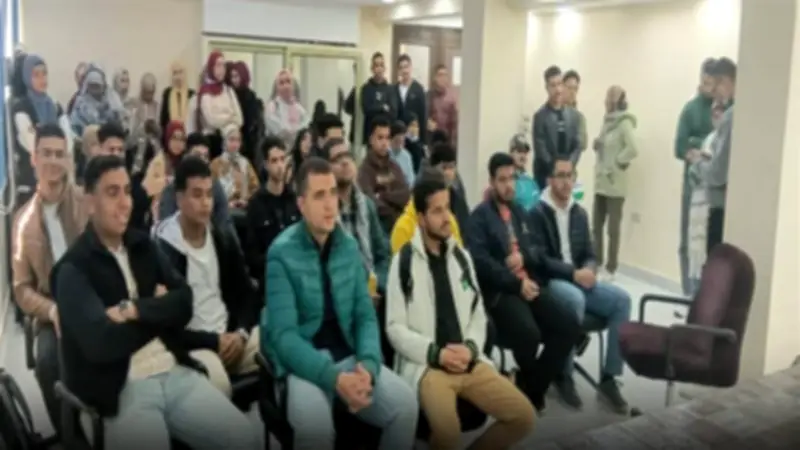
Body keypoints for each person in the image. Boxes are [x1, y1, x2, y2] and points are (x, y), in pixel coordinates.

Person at [52, 155, 258, 450]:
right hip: (122, 388)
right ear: (89, 202)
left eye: (127, 191)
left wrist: (135, 309)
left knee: (245, 439)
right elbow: (101, 344)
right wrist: (160, 313)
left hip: (173, 369)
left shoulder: (142, 245)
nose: (125, 202)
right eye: (112, 193)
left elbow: (185, 302)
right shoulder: (72, 269)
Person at [262, 157, 418, 450]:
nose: (329, 204)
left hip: (348, 356)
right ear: (301, 204)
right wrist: (335, 379)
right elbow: (284, 338)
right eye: (319, 195)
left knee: (406, 405)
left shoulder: (348, 246)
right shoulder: (280, 254)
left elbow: (365, 316)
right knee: (317, 429)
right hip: (305, 362)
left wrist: (368, 366)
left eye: (333, 193)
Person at [386, 172, 535, 450]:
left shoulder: (461, 258)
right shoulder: (403, 262)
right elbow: (394, 327)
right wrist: (436, 354)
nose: (447, 218)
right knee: (448, 432)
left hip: (469, 360)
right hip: (429, 367)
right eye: (437, 211)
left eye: (448, 208)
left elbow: (478, 313)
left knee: (524, 417)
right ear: (421, 218)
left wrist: (470, 348)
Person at [465, 152, 580, 412]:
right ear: (492, 182)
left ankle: (531, 386)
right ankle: (532, 389)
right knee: (529, 334)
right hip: (501, 292)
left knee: (570, 324)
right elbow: (481, 264)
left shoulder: (520, 212)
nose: (509, 185)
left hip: (529, 283)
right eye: (502, 180)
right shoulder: (479, 218)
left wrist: (522, 257)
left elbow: (536, 251)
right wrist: (515, 283)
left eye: (512, 178)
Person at [529, 157, 631, 413]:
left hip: (580, 278)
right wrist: (574, 274)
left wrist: (590, 269)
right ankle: (563, 375)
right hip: (554, 282)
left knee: (622, 300)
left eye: (570, 176)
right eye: (561, 176)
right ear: (550, 180)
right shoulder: (537, 213)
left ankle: (609, 378)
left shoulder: (579, 213)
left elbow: (590, 253)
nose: (566, 182)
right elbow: (540, 260)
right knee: (575, 300)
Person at [155, 157, 260, 396]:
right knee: (217, 381)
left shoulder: (222, 238)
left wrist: (241, 333)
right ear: (179, 199)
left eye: (209, 195)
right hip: (193, 347)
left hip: (231, 335)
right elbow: (166, 328)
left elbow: (246, 293)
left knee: (276, 345)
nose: (205, 203)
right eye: (197, 195)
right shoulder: (162, 251)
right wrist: (213, 342)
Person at [11, 124, 87, 435]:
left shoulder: (86, 201)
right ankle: (71, 436)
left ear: (67, 158)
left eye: (59, 154)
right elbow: (21, 289)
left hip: (93, 298)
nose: (53, 161)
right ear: (34, 158)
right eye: (47, 153)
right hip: (51, 307)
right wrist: (51, 310)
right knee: (47, 362)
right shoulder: (22, 222)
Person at [320, 138, 390, 298]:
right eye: (337, 159)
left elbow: (382, 254)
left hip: (372, 293)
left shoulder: (367, 205)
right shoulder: (324, 211)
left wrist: (377, 284)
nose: (345, 162)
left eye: (348, 156)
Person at [674, 58, 717, 296]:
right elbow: (680, 147)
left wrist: (698, 144)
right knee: (687, 242)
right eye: (705, 81)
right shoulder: (691, 109)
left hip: (715, 188)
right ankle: (688, 294)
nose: (708, 86)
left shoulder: (725, 109)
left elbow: (721, 144)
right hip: (692, 186)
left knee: (709, 244)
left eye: (712, 82)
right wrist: (704, 145)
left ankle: (707, 297)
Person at [592, 86, 638, 281]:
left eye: (611, 96)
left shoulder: (624, 122)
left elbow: (633, 148)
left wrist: (618, 162)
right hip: (601, 182)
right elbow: (607, 145)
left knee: (613, 229)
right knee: (596, 225)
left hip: (615, 184)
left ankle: (611, 268)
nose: (607, 100)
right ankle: (596, 262)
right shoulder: (606, 121)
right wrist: (598, 144)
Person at [245, 136, 299, 298]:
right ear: (266, 164)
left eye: (282, 159)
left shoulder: (294, 200)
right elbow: (251, 254)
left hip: (296, 274)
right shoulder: (256, 204)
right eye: (274, 161)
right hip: (269, 276)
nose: (280, 166)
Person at [159, 132, 236, 240]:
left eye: (206, 157)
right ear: (186, 156)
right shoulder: (172, 190)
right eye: (197, 155)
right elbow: (166, 227)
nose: (202, 161)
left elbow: (225, 223)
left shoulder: (215, 186)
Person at [694, 57, 736, 254]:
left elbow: (718, 173)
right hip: (733, 205)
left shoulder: (731, 117)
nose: (714, 92)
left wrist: (698, 162)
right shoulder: (746, 113)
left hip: (721, 206)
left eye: (715, 85)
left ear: (725, 81)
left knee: (715, 264)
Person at [391, 145, 466, 254]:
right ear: (422, 217)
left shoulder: (452, 215)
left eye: (452, 167)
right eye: (437, 210)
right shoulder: (404, 228)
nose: (448, 173)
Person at [686, 101, 727, 291]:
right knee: (695, 250)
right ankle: (694, 294)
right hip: (699, 199)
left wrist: (702, 162)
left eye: (720, 112)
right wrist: (697, 164)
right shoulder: (710, 138)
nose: (716, 116)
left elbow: (718, 172)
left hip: (715, 203)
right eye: (713, 112)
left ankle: (706, 296)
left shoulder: (725, 139)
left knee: (709, 254)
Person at [531, 65, 582, 189]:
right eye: (553, 85)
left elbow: (577, 145)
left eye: (559, 84)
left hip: (568, 175)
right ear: (547, 88)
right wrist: (556, 170)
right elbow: (541, 150)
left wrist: (569, 166)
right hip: (546, 176)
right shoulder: (540, 116)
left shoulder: (574, 115)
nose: (558, 90)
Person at [357, 116, 410, 233]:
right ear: (371, 140)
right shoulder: (364, 170)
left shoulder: (394, 166)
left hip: (400, 227)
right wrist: (394, 207)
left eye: (387, 138)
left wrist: (383, 195)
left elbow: (405, 195)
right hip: (378, 229)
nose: (384, 143)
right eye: (380, 138)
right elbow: (371, 203)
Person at [196, 51, 243, 159]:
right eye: (218, 65)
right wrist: (230, 116)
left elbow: (240, 119)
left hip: (231, 142)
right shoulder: (205, 92)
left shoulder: (229, 91)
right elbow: (212, 121)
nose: (221, 69)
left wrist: (222, 118)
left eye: (223, 65)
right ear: (211, 67)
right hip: (213, 143)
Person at [209, 124, 259, 209]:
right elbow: (210, 190)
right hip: (223, 208)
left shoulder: (245, 163)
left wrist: (246, 200)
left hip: (244, 208)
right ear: (224, 141)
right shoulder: (215, 164)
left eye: (238, 140)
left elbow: (255, 187)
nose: (235, 144)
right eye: (231, 140)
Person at [69, 64, 126, 136]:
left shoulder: (112, 101)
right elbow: (75, 127)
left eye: (97, 85)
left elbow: (120, 123)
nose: (94, 88)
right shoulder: (80, 104)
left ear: (103, 85)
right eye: (92, 85)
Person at [226, 61, 264, 163]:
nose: (234, 80)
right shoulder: (229, 96)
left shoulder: (251, 97)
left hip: (249, 144)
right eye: (232, 77)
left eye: (236, 76)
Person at [265, 68, 309, 150]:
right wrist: (295, 132)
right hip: (277, 150)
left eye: (288, 82)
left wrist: (295, 133)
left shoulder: (299, 108)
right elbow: (279, 131)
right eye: (281, 83)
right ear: (276, 87)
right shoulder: (272, 106)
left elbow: (306, 127)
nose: (285, 86)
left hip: (296, 150)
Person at [358, 52, 397, 143]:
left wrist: (376, 107)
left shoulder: (390, 89)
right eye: (376, 65)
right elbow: (366, 109)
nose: (379, 68)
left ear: (385, 68)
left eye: (381, 65)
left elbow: (393, 113)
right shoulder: (366, 88)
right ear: (372, 68)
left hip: (386, 136)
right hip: (370, 135)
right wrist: (383, 107)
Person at [394, 54, 427, 143]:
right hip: (398, 135)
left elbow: (423, 115)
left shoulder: (418, 89)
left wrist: (423, 141)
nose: (404, 70)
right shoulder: (394, 89)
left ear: (411, 67)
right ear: (398, 71)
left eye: (406, 67)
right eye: (401, 68)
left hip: (414, 134)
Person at [428, 64, 458, 150]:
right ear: (435, 78)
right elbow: (424, 116)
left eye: (445, 75)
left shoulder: (452, 98)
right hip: (432, 140)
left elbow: (454, 123)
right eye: (440, 75)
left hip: (447, 141)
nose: (443, 78)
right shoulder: (429, 96)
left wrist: (453, 144)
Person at [159, 61, 196, 131]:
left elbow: (194, 120)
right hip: (170, 134)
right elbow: (163, 120)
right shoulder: (167, 93)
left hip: (188, 133)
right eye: (175, 73)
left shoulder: (192, 94)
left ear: (185, 74)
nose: (178, 77)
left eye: (180, 72)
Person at [508, 134, 539, 211]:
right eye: (519, 151)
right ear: (511, 153)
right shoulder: (505, 180)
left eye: (525, 152)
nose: (522, 156)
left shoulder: (531, 182)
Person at [128, 73, 160, 142]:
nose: (150, 95)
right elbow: (130, 130)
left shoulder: (158, 106)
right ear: (142, 89)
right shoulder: (132, 104)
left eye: (152, 92)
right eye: (147, 92)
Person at [562, 70, 587, 154]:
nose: (572, 92)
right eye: (569, 88)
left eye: (575, 89)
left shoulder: (579, 118)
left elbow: (583, 144)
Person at [390, 120, 415, 186]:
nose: (400, 146)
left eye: (402, 141)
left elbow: (410, 179)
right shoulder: (384, 153)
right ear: (391, 139)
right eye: (397, 141)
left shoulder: (406, 156)